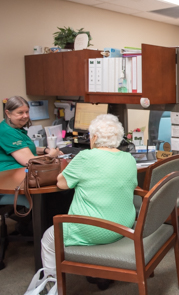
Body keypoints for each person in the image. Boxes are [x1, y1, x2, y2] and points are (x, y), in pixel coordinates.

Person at [41, 114, 137, 289]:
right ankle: (95, 270)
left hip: (95, 230)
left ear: (93, 138)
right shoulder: (129, 159)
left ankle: (51, 287)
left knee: (48, 239)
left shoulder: (86, 157)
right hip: (124, 226)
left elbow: (61, 183)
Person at [0, 96, 60, 172]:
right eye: (20, 112)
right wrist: (51, 155)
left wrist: (45, 150)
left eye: (27, 112)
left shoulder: (15, 128)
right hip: (11, 174)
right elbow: (28, 160)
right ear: (8, 113)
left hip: (22, 171)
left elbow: (24, 148)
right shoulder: (7, 132)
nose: (25, 116)